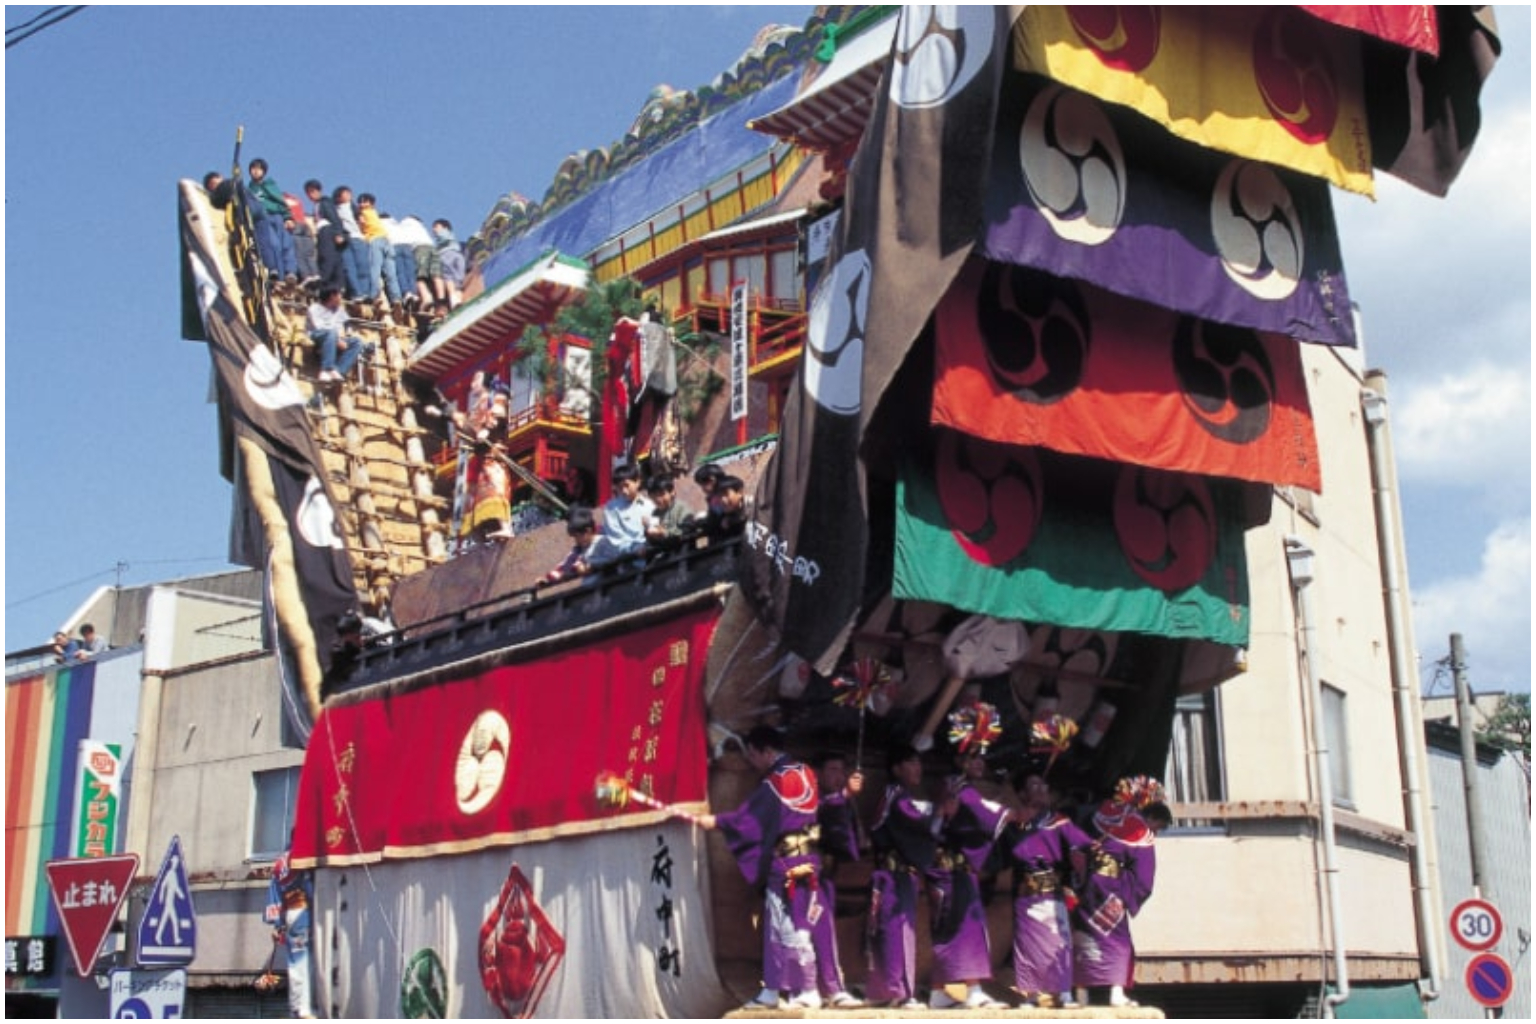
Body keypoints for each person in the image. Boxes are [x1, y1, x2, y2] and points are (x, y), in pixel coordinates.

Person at [697, 725, 824, 1010]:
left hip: (786, 863)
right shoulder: (807, 773)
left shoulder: (776, 782)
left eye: (752, 755)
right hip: (808, 859)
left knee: (787, 926)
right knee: (787, 925)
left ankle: (805, 987)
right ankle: (776, 988)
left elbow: (748, 821)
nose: (751, 762)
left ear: (765, 752)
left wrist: (716, 821)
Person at [928, 744, 1012, 1009]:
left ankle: (937, 992)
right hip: (952, 872)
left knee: (947, 930)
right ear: (958, 759)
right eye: (972, 757)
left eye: (981, 758)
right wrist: (1015, 810)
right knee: (966, 928)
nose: (979, 763)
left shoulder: (952, 787)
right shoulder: (961, 790)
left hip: (949, 871)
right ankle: (974, 990)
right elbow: (997, 816)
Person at [1072, 793, 1172, 1007]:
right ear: (1152, 818)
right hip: (1111, 890)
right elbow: (1144, 876)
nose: (1155, 832)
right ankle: (1116, 993)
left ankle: (1081, 993)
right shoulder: (1141, 832)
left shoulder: (1103, 814)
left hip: (1085, 886)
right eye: (1158, 827)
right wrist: (1127, 894)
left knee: (1083, 936)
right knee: (1119, 942)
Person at [1008, 772, 1092, 1009]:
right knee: (1027, 946)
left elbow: (1083, 844)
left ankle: (1064, 994)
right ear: (1022, 794)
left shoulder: (1059, 820)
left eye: (1043, 785)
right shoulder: (1014, 823)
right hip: (1025, 894)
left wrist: (1080, 856)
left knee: (1059, 944)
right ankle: (1030, 995)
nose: (1042, 789)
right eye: (1034, 785)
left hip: (1051, 892)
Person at [866, 743, 937, 1009]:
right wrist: (942, 810)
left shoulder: (900, 795)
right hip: (893, 876)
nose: (918, 768)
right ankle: (899, 991)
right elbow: (916, 818)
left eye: (919, 762)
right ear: (896, 769)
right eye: (911, 762)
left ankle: (890, 990)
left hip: (900, 876)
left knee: (894, 930)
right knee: (896, 930)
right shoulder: (895, 795)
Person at [809, 751, 864, 1008]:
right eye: (832, 769)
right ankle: (829, 988)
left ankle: (825, 987)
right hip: (807, 875)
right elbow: (823, 807)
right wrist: (845, 794)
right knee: (817, 931)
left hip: (826, 875)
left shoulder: (841, 801)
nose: (839, 776)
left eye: (842, 770)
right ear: (818, 774)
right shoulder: (811, 798)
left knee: (824, 930)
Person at [264, 849, 316, 1019]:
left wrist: (278, 924)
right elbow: (309, 885)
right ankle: (303, 1009)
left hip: (289, 913)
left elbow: (275, 893)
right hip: (303, 911)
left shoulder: (280, 862)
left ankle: (296, 1008)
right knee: (304, 960)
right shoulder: (301, 853)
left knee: (296, 960)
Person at [306, 287, 373, 384]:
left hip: (335, 337)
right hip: (319, 337)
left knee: (357, 342)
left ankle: (338, 371)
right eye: (339, 295)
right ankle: (326, 369)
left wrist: (344, 337)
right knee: (331, 333)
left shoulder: (339, 310)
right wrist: (337, 340)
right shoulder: (315, 309)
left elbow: (345, 325)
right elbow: (319, 328)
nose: (341, 298)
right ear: (332, 296)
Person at [245, 158, 298, 282]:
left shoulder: (270, 185)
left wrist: (288, 217)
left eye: (259, 169)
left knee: (286, 244)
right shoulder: (249, 190)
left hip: (278, 216)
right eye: (253, 168)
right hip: (263, 219)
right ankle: (277, 274)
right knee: (273, 244)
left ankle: (290, 272)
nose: (256, 171)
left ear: (264, 171)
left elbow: (280, 201)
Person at [540, 506, 619, 584]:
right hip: (593, 587)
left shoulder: (603, 540)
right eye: (575, 537)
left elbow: (614, 556)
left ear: (588, 531)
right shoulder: (580, 550)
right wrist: (547, 579)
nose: (577, 540)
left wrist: (590, 566)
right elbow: (566, 567)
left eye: (579, 536)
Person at [600, 463, 654, 557]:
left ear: (637, 482)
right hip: (626, 560)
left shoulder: (649, 506)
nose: (624, 491)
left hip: (650, 555)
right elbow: (615, 540)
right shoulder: (611, 508)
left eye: (626, 485)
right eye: (619, 487)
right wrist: (634, 549)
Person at [643, 474, 696, 550]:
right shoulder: (655, 513)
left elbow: (687, 531)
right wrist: (649, 532)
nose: (658, 499)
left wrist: (664, 532)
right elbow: (655, 541)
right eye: (654, 496)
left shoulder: (681, 509)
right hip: (666, 551)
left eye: (661, 494)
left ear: (672, 492)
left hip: (683, 550)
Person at [703, 473, 750, 540]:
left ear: (740, 492)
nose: (722, 500)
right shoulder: (722, 518)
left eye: (726, 494)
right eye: (719, 496)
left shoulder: (755, 509)